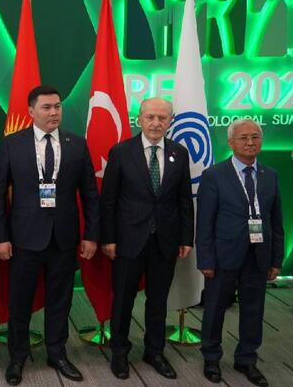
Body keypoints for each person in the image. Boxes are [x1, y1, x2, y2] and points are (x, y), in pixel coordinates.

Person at [0, 85, 99, 385]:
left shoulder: (76, 144)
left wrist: (91, 235)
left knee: (60, 300)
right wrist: (1, 237)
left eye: (57, 106)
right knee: (20, 301)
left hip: (64, 238)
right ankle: (18, 356)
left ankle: (57, 353)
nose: (54, 112)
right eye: (46, 107)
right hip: (23, 238)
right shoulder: (12, 144)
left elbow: (90, 194)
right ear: (31, 111)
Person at [99, 98, 194, 380]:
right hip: (128, 240)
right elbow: (109, 200)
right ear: (139, 119)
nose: (156, 123)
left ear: (170, 122)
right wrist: (108, 238)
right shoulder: (121, 152)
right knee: (123, 300)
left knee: (158, 300)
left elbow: (184, 200)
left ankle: (154, 351)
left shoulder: (179, 153)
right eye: (150, 117)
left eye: (162, 118)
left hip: (165, 240)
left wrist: (186, 237)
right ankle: (119, 352)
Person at [197, 118, 283, 387]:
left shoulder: (270, 175)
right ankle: (211, 357)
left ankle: (246, 359)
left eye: (255, 137)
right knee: (215, 308)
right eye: (243, 137)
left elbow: (276, 222)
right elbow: (205, 223)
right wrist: (206, 259)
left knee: (253, 310)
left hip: (259, 255)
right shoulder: (214, 175)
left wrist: (276, 259)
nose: (250, 142)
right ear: (231, 142)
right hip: (223, 255)